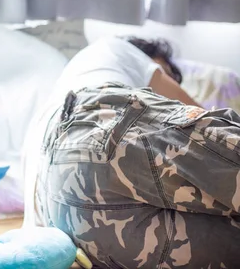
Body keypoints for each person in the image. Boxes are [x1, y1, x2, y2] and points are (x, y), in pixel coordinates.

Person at [23, 36, 240, 268]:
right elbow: (195, 115)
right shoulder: (117, 49)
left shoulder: (35, 131)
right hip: (98, 122)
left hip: (64, 224)